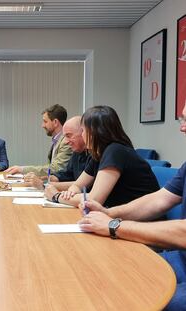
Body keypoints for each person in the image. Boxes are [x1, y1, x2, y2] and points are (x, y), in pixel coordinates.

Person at [77, 105, 186, 311]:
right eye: (182, 120)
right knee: (114, 274)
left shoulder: (115, 151)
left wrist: (114, 225)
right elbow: (158, 200)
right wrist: (110, 213)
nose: (182, 128)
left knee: (138, 298)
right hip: (181, 258)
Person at [45, 105, 159, 208]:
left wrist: (56, 196)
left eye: (83, 130)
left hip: (142, 221)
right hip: (118, 215)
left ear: (94, 132)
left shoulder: (115, 151)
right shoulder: (99, 153)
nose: (82, 134)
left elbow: (94, 199)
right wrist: (71, 192)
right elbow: (77, 185)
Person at [26, 116, 91, 190]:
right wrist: (45, 177)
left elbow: (82, 184)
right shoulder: (77, 152)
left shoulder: (94, 155)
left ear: (84, 133)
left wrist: (44, 185)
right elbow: (67, 174)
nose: (66, 141)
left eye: (69, 136)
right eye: (65, 136)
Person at [5, 104, 72, 176]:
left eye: (45, 121)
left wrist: (22, 169)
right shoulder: (56, 140)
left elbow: (56, 168)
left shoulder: (66, 142)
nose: (42, 125)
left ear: (55, 122)